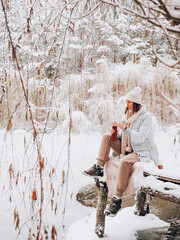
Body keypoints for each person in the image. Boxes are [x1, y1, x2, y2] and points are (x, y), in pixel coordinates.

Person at [83, 87, 162, 217]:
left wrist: (123, 128)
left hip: (140, 152)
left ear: (136, 103)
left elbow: (140, 136)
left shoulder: (146, 117)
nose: (127, 105)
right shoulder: (127, 116)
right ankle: (99, 167)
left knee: (125, 161)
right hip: (125, 149)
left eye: (129, 102)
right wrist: (116, 134)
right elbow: (125, 136)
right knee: (106, 137)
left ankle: (117, 200)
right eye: (126, 102)